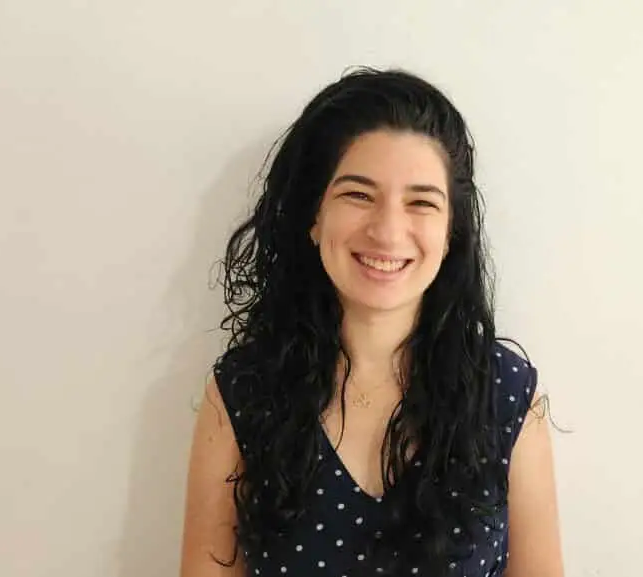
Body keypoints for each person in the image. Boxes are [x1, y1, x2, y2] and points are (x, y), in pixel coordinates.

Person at [180, 67, 563, 577]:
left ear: (451, 232)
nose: (388, 231)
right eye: (359, 195)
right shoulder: (242, 393)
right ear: (313, 217)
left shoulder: (508, 396)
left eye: (421, 202)